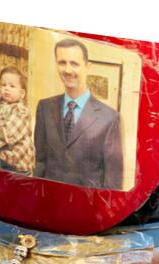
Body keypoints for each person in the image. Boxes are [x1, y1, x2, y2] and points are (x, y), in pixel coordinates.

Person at [33, 38, 123, 189]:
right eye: (62, 62)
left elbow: (113, 181)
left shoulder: (110, 118)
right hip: (49, 200)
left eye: (74, 63)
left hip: (85, 206)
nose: (67, 70)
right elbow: (40, 161)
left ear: (88, 67)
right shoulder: (45, 107)